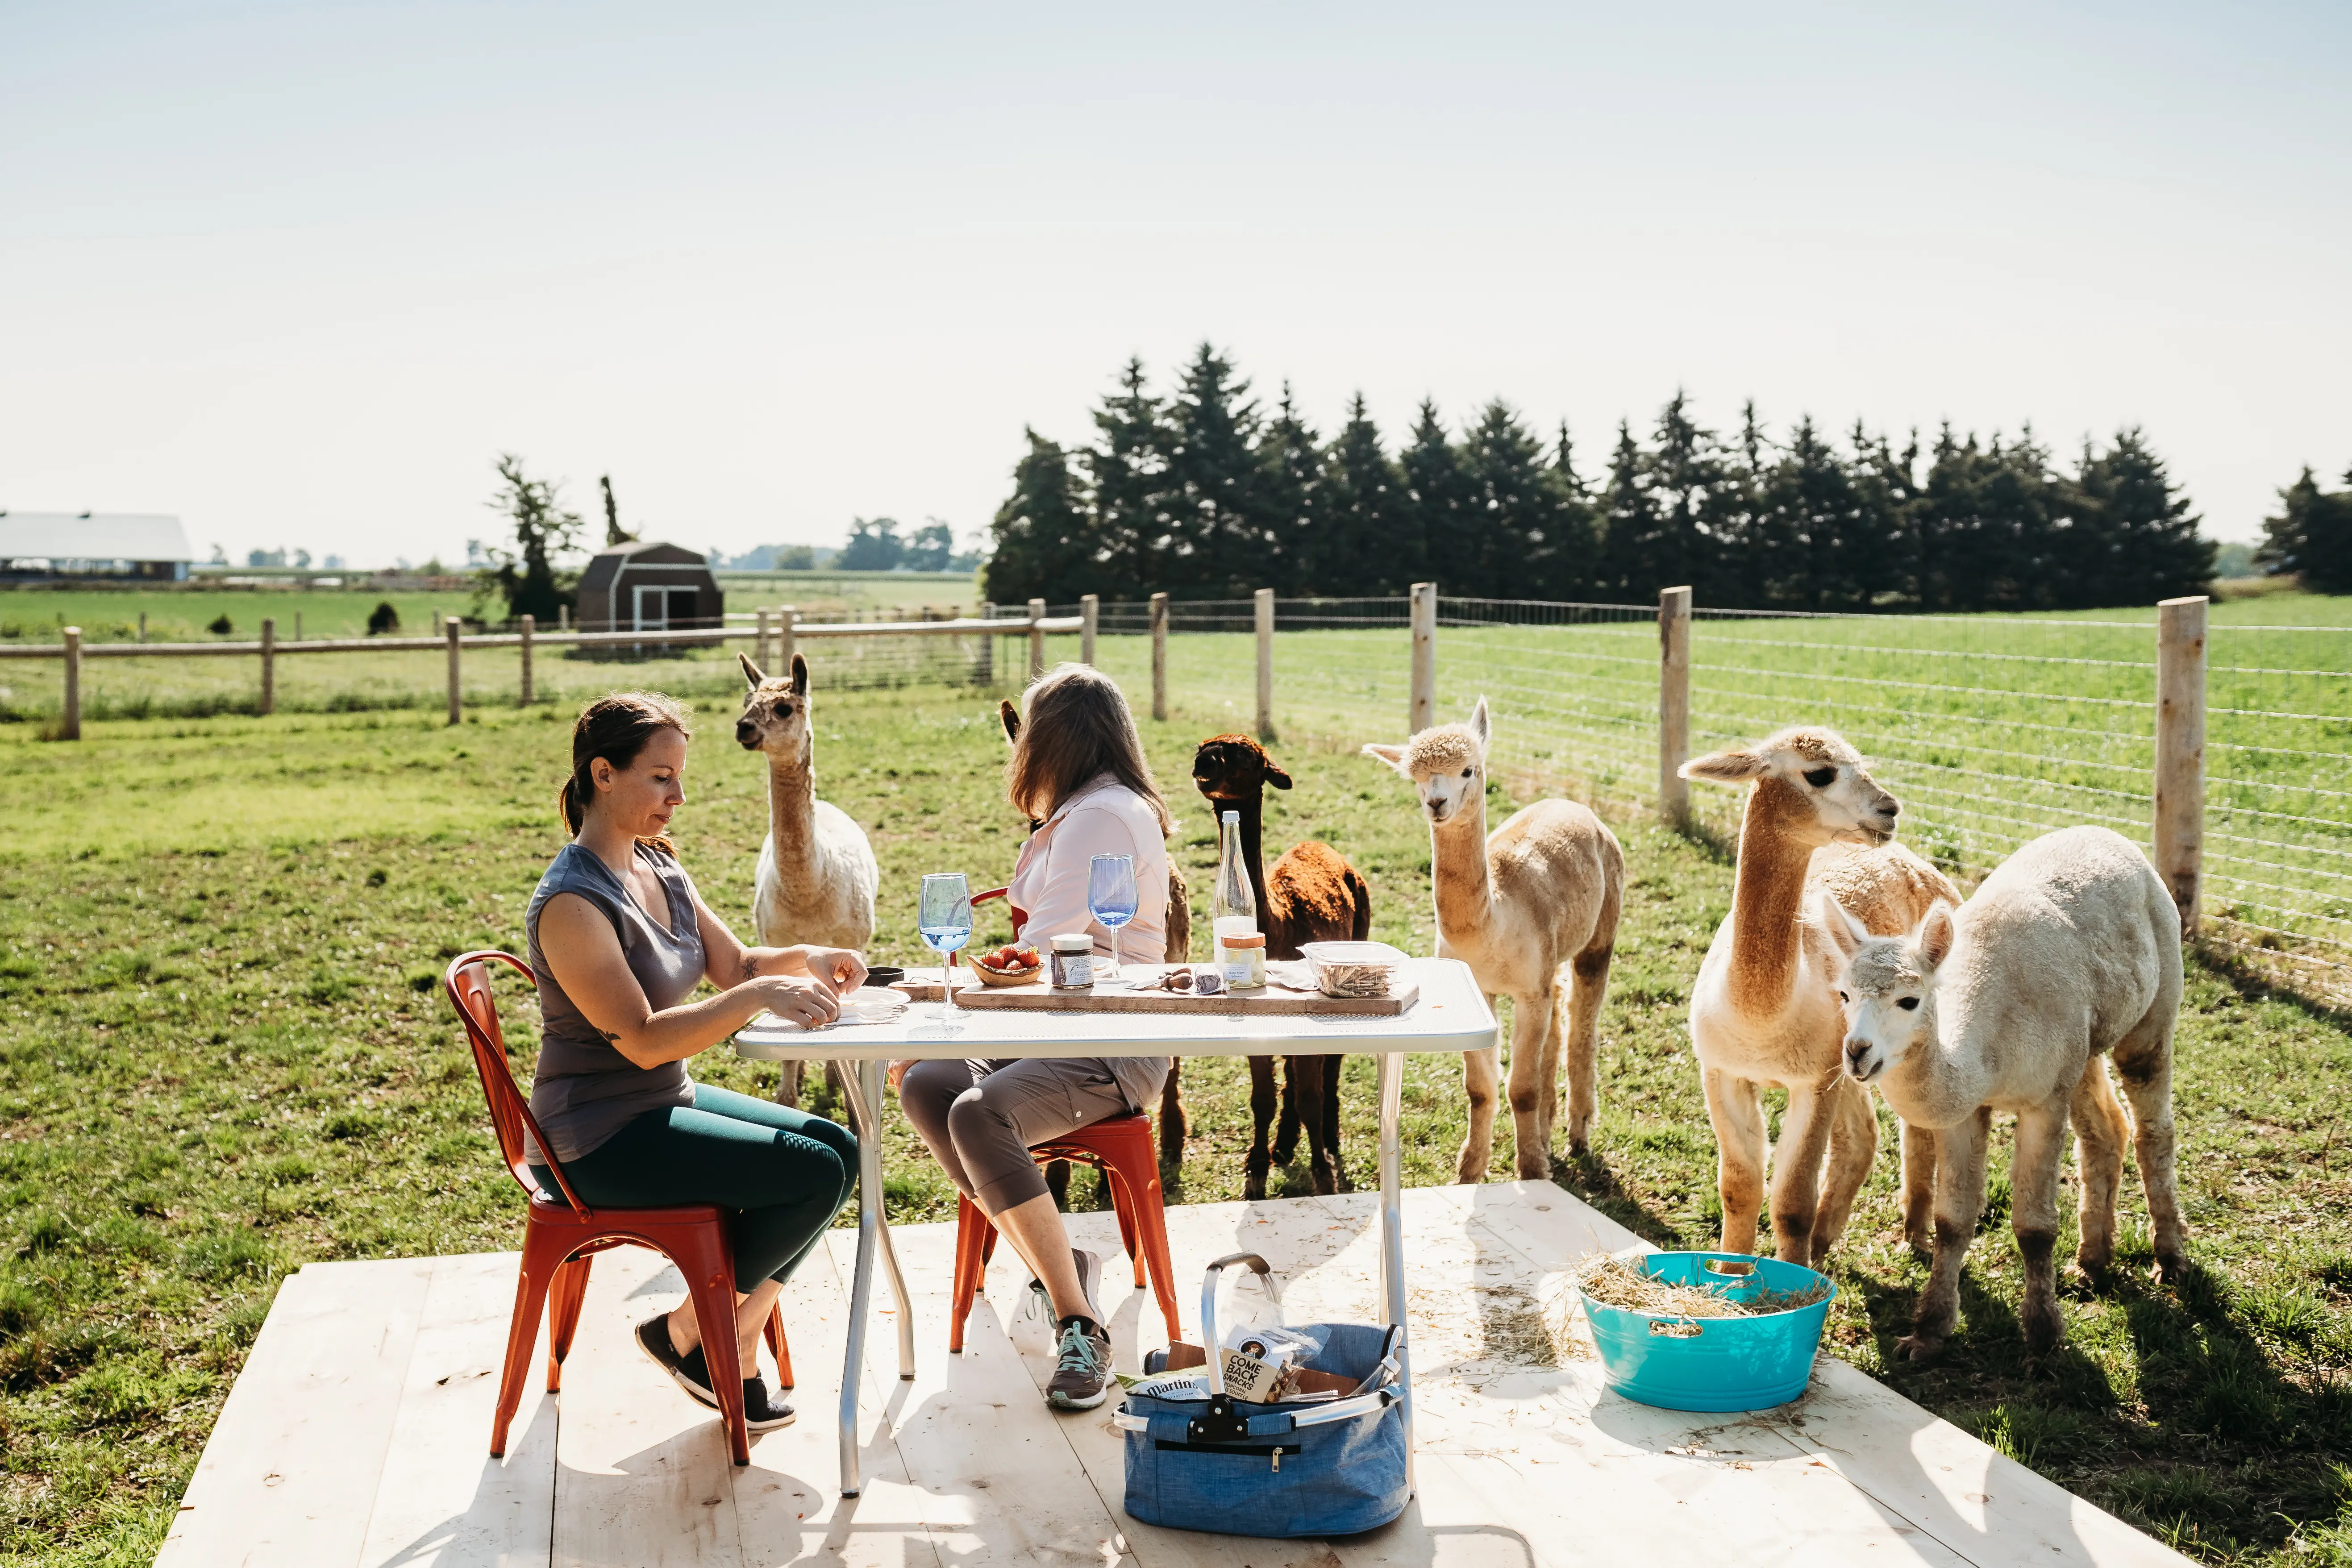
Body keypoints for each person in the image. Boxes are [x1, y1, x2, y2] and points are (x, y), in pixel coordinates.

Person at [527, 691, 868, 1433]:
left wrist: (811, 956)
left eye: (681, 778)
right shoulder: (572, 904)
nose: (678, 797)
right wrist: (760, 997)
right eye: (660, 778)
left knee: (841, 1146)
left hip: (659, 1105)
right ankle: (704, 1337)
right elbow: (644, 1038)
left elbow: (738, 962)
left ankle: (706, 1333)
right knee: (811, 1172)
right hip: (594, 1140)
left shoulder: (658, 867)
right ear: (603, 774)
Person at [894, 663, 1173, 1411]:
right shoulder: (1090, 807)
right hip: (1060, 1024)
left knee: (974, 1111)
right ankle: (1064, 1265)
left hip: (1112, 1039)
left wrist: (938, 1008)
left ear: (1053, 739)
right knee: (927, 1081)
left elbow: (1049, 950)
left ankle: (1079, 1322)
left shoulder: (1100, 817)